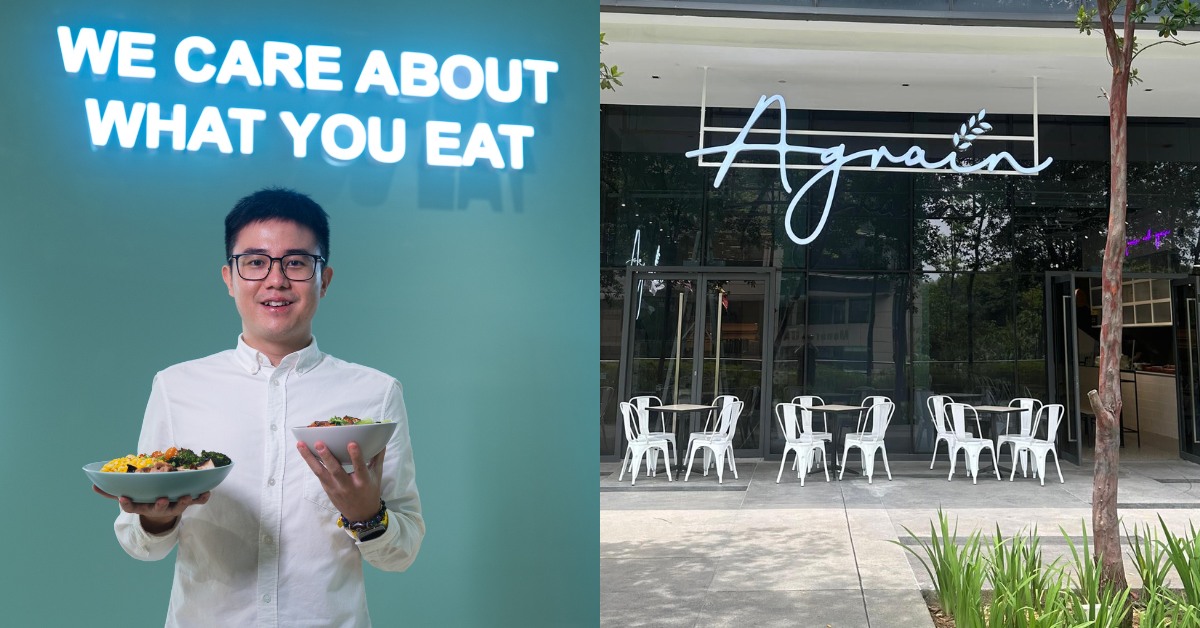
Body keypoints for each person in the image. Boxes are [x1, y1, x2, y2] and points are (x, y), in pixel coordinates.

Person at [91, 188, 423, 628]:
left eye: (297, 262)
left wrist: (367, 517)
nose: (276, 280)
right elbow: (140, 543)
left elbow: (403, 551)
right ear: (229, 278)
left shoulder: (375, 394)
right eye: (254, 262)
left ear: (323, 279)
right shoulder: (176, 386)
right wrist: (156, 522)